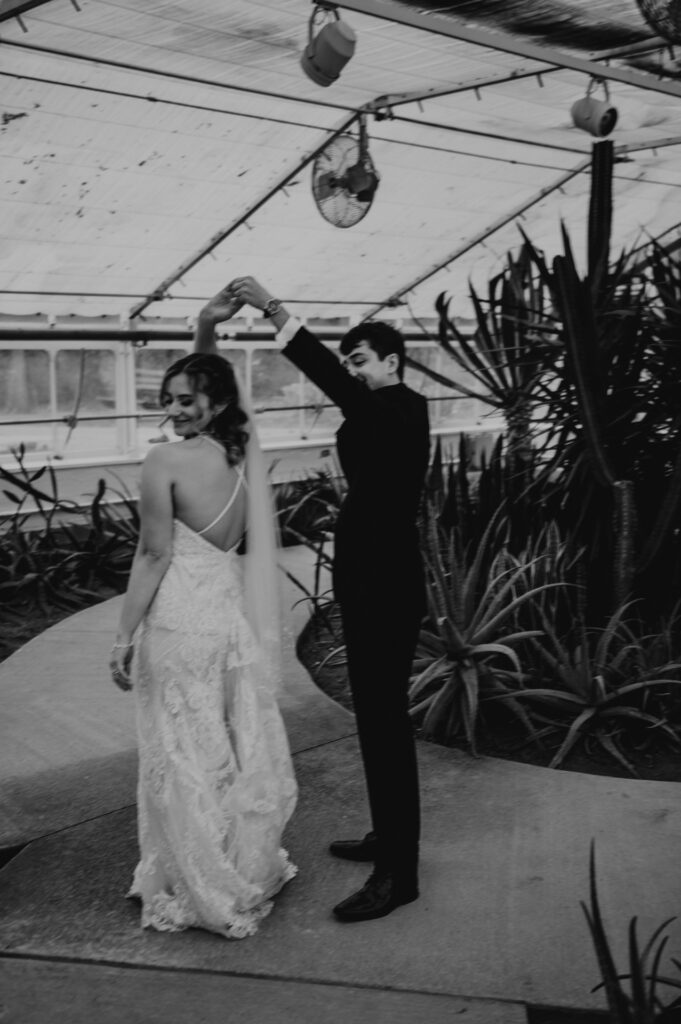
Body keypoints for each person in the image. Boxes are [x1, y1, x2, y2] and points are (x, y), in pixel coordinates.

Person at [196, 278, 430, 923]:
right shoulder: (377, 412)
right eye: (350, 359)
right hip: (367, 583)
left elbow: (339, 385)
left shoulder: (406, 407)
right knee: (375, 720)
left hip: (387, 589)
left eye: (361, 359)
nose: (353, 369)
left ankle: (398, 875)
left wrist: (276, 310)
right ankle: (390, 836)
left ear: (391, 362)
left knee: (385, 722)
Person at [109, 330, 297, 939]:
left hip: (179, 624)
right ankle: (239, 860)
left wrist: (122, 634)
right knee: (221, 742)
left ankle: (200, 877)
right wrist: (206, 325)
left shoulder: (165, 460)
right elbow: (211, 379)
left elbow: (153, 553)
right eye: (168, 398)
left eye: (186, 400)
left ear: (213, 403)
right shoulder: (242, 455)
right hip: (225, 621)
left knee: (180, 751)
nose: (172, 410)